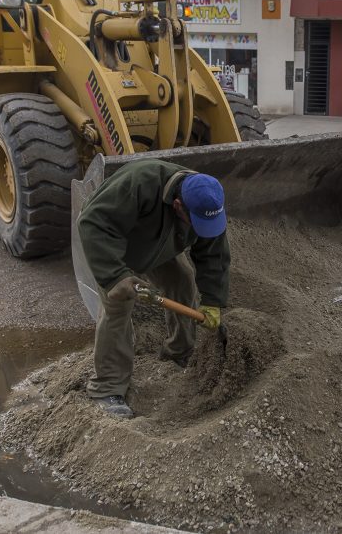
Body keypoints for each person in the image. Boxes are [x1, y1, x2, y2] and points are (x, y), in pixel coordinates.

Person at [77, 160, 230, 418]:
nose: (201, 231)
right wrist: (115, 276)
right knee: (119, 303)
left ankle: (178, 352)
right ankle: (108, 388)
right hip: (113, 246)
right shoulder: (139, 183)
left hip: (159, 245)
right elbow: (92, 222)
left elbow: (213, 255)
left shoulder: (207, 202)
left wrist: (213, 299)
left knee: (182, 279)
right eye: (195, 223)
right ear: (178, 205)